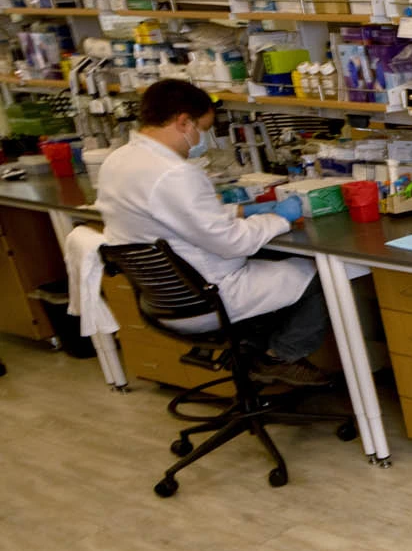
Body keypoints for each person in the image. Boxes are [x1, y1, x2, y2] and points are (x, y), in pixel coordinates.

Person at [98, 79, 330, 388]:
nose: (200, 139)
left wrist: (239, 212)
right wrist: (279, 218)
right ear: (183, 121)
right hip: (208, 297)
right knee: (326, 274)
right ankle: (278, 357)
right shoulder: (175, 173)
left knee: (281, 260)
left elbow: (172, 216)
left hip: (165, 300)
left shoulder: (118, 160)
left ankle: (252, 352)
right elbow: (233, 243)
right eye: (202, 129)